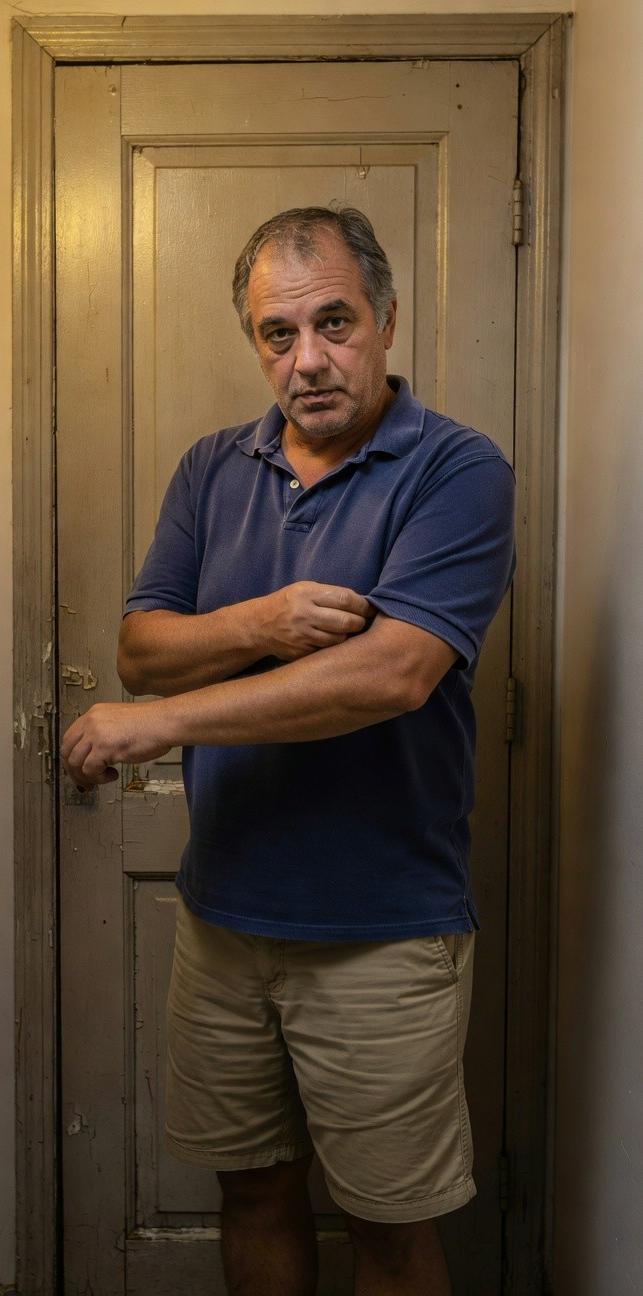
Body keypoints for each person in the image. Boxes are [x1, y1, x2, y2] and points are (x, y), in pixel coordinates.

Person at [60, 205, 516, 1296]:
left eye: (334, 322)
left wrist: (167, 722)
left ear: (388, 319)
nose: (307, 360)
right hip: (221, 919)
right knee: (252, 1191)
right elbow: (140, 647)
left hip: (383, 930)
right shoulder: (213, 468)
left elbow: (391, 674)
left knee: (388, 1230)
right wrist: (262, 623)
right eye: (277, 333)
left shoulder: (457, 470)